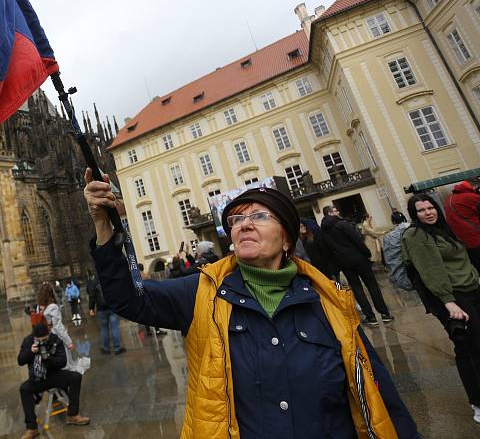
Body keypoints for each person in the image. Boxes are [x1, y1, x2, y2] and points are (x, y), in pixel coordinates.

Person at [83, 169, 418, 437]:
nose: (243, 224)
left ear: (287, 236)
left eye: (258, 216)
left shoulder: (328, 300)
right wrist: (105, 226)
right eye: (235, 221)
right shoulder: (202, 291)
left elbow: (379, 399)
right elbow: (127, 297)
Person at [402, 193, 480, 424]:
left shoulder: (443, 229)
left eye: (430, 207)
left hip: (472, 290)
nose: (428, 212)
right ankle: (477, 403)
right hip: (454, 299)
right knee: (469, 349)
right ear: (414, 215)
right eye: (422, 210)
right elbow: (430, 270)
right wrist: (448, 301)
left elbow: (463, 259)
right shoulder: (416, 235)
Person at [320, 205, 393, 326]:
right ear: (329, 213)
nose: (338, 212)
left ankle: (370, 317)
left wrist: (336, 265)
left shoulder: (324, 230)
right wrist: (367, 253)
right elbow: (357, 240)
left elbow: (327, 250)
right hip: (359, 259)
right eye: (335, 210)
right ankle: (384, 314)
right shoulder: (342, 224)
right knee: (372, 285)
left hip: (344, 262)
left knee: (357, 288)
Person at [17, 322, 90, 438]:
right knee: (24, 389)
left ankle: (73, 414)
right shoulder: (28, 341)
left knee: (76, 377)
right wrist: (30, 352)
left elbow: (63, 362)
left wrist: (49, 359)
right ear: (34, 337)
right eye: (39, 340)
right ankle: (31, 428)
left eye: (45, 339)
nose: (42, 342)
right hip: (37, 378)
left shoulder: (55, 340)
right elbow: (20, 361)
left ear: (49, 334)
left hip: (54, 375)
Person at [37, 282, 80, 370]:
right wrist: (68, 341)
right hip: (55, 335)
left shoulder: (39, 307)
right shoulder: (53, 307)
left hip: (45, 335)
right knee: (63, 359)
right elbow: (58, 326)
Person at [444, 179, 480, 273]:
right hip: (477, 239)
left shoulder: (449, 199)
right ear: (475, 187)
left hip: (464, 244)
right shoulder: (472, 197)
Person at [88, 271, 125, 355]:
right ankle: (117, 348)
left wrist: (91, 308)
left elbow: (92, 295)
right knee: (115, 328)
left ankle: (106, 348)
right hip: (112, 308)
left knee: (104, 329)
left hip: (101, 309)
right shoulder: (110, 279)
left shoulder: (95, 282)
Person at [382, 211, 413, 291]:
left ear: (393, 222)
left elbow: (389, 258)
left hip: (407, 274)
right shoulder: (415, 228)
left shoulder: (389, 237)